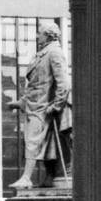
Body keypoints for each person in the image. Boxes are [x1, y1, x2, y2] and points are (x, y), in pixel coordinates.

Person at [7, 20, 72, 190]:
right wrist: (19, 103)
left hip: (44, 107)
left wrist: (56, 106)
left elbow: (63, 83)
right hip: (35, 105)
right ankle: (47, 177)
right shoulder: (43, 53)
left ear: (49, 35)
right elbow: (36, 85)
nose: (38, 36)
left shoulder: (54, 53)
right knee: (39, 144)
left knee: (32, 141)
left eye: (40, 33)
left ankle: (26, 178)